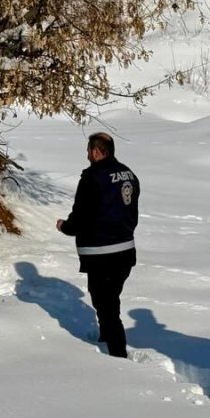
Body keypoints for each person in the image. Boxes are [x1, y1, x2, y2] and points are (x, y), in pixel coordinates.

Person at [56, 132, 140, 358]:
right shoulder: (129, 175)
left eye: (88, 151)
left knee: (107, 305)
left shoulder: (92, 177)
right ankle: (106, 337)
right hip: (125, 251)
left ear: (96, 152)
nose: (87, 156)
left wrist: (66, 227)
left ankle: (118, 356)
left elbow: (81, 213)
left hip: (101, 253)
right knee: (107, 298)